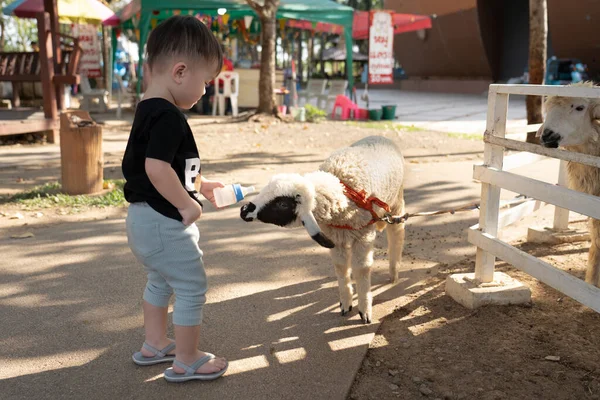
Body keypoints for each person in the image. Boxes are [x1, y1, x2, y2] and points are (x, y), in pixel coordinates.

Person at [121, 15, 228, 382]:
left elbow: (173, 166)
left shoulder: (147, 110)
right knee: (191, 285)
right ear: (180, 72)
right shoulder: (169, 117)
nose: (205, 91)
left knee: (160, 280)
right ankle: (187, 358)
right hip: (164, 221)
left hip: (141, 220)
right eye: (205, 82)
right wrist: (186, 203)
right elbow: (156, 168)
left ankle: (154, 343)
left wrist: (204, 185)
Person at [201, 45, 234, 115]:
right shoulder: (229, 63)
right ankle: (229, 110)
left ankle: (206, 111)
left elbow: (210, 78)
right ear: (225, 53)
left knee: (205, 93)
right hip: (226, 88)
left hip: (215, 88)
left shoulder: (213, 62)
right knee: (230, 94)